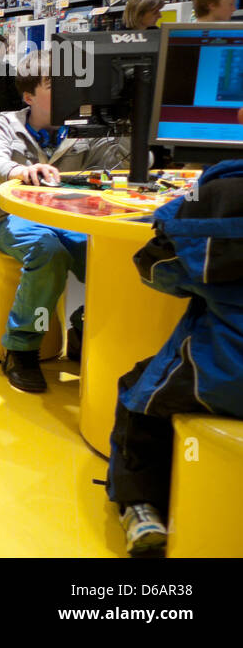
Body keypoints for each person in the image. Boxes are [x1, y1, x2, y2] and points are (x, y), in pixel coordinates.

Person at [105, 160, 243, 556]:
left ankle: (139, 504)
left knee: (140, 392)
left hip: (225, 372)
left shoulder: (216, 191)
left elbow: (156, 269)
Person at [0, 52, 131, 393]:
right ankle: (21, 348)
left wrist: (131, 132)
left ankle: (82, 328)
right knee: (49, 253)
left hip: (65, 218)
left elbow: (115, 164)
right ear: (29, 96)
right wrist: (20, 170)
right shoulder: (6, 124)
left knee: (107, 258)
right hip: (7, 217)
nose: (65, 91)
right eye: (52, 84)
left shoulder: (82, 128)